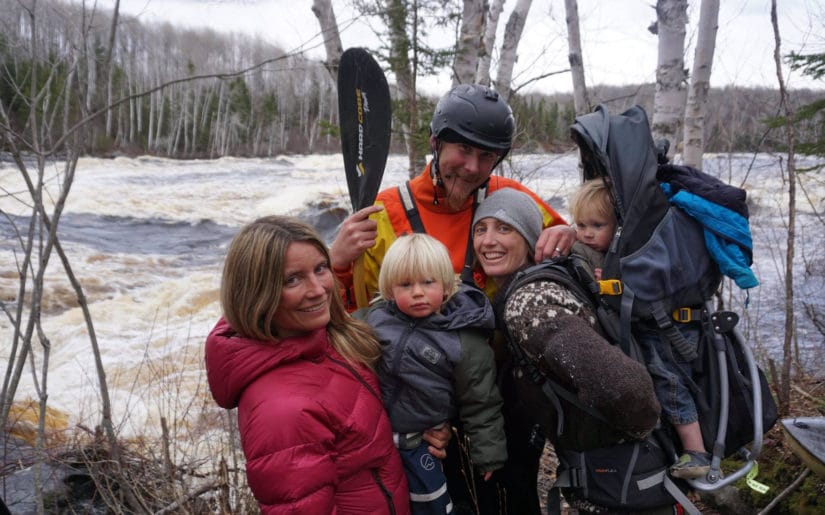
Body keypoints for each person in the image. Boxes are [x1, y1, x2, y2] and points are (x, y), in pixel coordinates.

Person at [331, 83, 577, 514]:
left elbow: (572, 250)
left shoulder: (509, 197)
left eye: (487, 156)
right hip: (425, 403)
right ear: (434, 142)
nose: (472, 167)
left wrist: (568, 233)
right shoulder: (386, 212)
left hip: (501, 393)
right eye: (462, 149)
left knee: (513, 499)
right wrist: (336, 262)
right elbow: (354, 323)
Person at [204, 216, 448, 514]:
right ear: (257, 292)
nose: (318, 289)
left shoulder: (328, 337)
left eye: (320, 268)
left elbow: (357, 426)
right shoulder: (282, 413)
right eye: (292, 279)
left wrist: (413, 426)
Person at [472, 187, 661, 451]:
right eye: (480, 230)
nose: (488, 240)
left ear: (529, 239)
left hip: (619, 463)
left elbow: (625, 387)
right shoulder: (535, 284)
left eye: (505, 229)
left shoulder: (529, 303)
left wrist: (637, 434)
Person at [569, 179, 712, 479]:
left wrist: (612, 280)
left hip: (671, 331)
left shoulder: (633, 256)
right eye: (580, 225)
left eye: (596, 225)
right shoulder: (612, 252)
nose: (586, 233)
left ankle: (697, 453)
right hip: (660, 329)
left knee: (669, 383)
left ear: (619, 226)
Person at [364, 233, 507, 514]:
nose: (417, 292)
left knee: (429, 503)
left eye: (428, 282)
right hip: (378, 437)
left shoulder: (462, 339)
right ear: (391, 290)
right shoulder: (377, 318)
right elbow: (341, 335)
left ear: (445, 285)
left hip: (422, 441)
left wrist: (487, 453)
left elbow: (481, 400)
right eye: (406, 284)